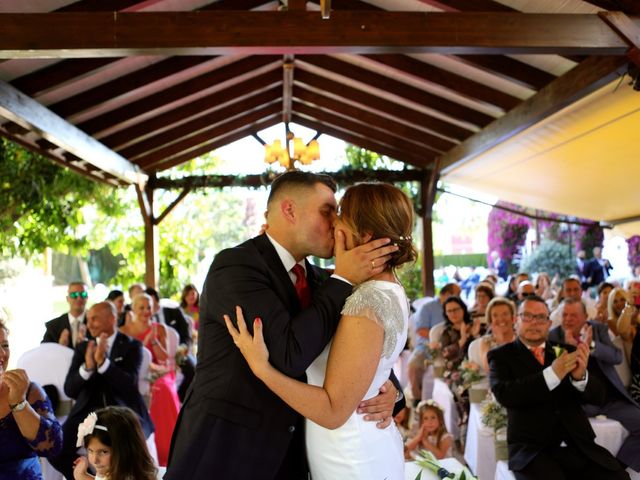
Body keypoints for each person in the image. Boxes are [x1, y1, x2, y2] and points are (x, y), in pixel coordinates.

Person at [166, 172, 401, 480]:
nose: (336, 223)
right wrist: (343, 279)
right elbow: (287, 356)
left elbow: (352, 349)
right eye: (327, 211)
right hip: (225, 452)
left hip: (292, 458)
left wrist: (390, 389)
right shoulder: (236, 267)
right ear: (290, 210)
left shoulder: (321, 280)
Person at [225, 182, 415, 479]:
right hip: (341, 446)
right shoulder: (379, 289)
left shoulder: (367, 300)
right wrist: (387, 385)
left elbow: (332, 410)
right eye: (330, 211)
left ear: (364, 235)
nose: (334, 221)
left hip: (349, 455)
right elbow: (366, 362)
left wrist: (263, 370)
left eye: (340, 214)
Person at [488, 294, 629, 480]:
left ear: (549, 324)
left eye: (541, 318)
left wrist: (581, 378)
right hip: (533, 451)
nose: (534, 323)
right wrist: (552, 375)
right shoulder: (501, 356)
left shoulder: (566, 351)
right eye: (527, 316)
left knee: (619, 477)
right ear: (516, 321)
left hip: (578, 445)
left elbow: (599, 396)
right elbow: (506, 394)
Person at [51, 301, 153, 480]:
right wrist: (88, 368)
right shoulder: (83, 348)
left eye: (94, 319)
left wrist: (103, 364)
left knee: (127, 446)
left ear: (112, 318)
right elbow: (70, 389)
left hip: (124, 412)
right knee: (56, 447)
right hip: (86, 412)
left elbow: (129, 385)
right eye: (88, 319)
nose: (89, 324)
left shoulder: (131, 346)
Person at [548, 298, 640, 473]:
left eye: (573, 315)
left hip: (610, 398)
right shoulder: (554, 335)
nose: (568, 319)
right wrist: (571, 348)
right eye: (565, 315)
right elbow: (556, 373)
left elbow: (616, 357)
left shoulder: (597, 329)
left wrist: (590, 345)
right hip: (579, 401)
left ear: (585, 317)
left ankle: (617, 469)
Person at [120, 293, 179, 467]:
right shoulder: (124, 330)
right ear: (133, 309)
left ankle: (165, 450)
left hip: (159, 372)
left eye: (149, 307)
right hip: (134, 372)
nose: (146, 311)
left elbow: (164, 359)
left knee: (163, 390)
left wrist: (154, 342)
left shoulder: (159, 328)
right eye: (142, 307)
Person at [0, 316, 63, 479]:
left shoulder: (28, 390)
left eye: (5, 345)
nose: (2, 354)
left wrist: (19, 403)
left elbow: (52, 447)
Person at [408, 282, 461, 401]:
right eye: (457, 294)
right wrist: (437, 339)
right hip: (427, 346)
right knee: (413, 366)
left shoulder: (458, 307)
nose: (459, 297)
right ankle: (418, 401)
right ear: (447, 294)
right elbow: (421, 331)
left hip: (453, 346)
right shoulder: (428, 307)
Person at [72, 406, 157, 480]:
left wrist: (81, 476)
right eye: (90, 451)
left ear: (125, 450)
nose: (95, 460)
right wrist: (81, 475)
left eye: (103, 452)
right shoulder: (113, 472)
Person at [144, 287, 195, 402]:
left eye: (150, 302)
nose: (148, 307)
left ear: (156, 300)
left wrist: (181, 349)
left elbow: (186, 336)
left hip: (179, 352)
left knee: (192, 369)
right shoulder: (144, 318)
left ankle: (180, 400)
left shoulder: (174, 311)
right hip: (154, 358)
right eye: (145, 305)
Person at [42, 282, 90, 349]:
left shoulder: (95, 323)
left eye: (83, 294)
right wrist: (60, 347)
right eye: (74, 295)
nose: (79, 298)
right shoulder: (53, 326)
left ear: (87, 297)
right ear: (67, 298)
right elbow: (44, 351)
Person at [478, 297, 517, 372]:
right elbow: (488, 368)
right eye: (495, 316)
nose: (501, 319)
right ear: (490, 321)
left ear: (513, 318)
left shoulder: (521, 338)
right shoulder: (486, 341)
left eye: (505, 314)